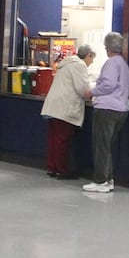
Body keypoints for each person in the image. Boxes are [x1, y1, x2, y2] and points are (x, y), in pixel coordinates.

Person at [82, 31, 129, 192]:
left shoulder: (111, 63)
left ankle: (100, 180)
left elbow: (108, 84)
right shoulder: (124, 64)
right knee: (107, 145)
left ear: (108, 48)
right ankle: (108, 179)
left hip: (107, 109)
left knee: (101, 146)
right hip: (121, 108)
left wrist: (92, 92)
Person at [41, 43, 95, 179]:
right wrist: (94, 92)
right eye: (92, 58)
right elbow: (83, 89)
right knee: (62, 141)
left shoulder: (66, 63)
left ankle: (52, 167)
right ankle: (62, 170)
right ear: (88, 56)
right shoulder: (79, 65)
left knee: (53, 139)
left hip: (53, 105)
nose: (92, 62)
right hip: (65, 107)